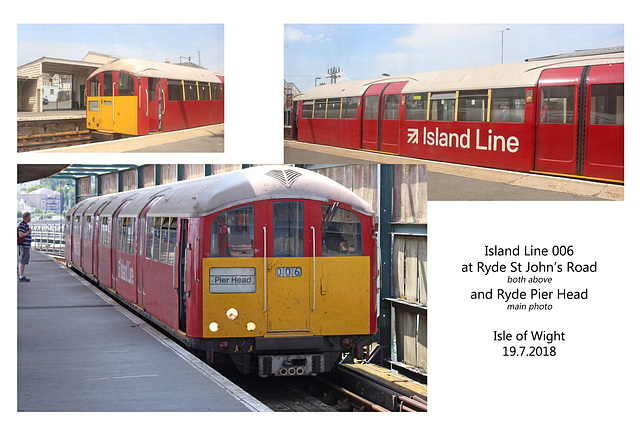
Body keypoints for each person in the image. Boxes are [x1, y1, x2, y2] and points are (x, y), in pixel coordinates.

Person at [17, 212, 32, 282]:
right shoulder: (22, 225)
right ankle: (21, 276)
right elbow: (21, 235)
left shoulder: (24, 225)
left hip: (25, 246)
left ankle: (21, 275)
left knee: (23, 260)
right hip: (24, 246)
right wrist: (28, 232)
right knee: (23, 260)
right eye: (30, 217)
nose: (30, 218)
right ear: (28, 218)